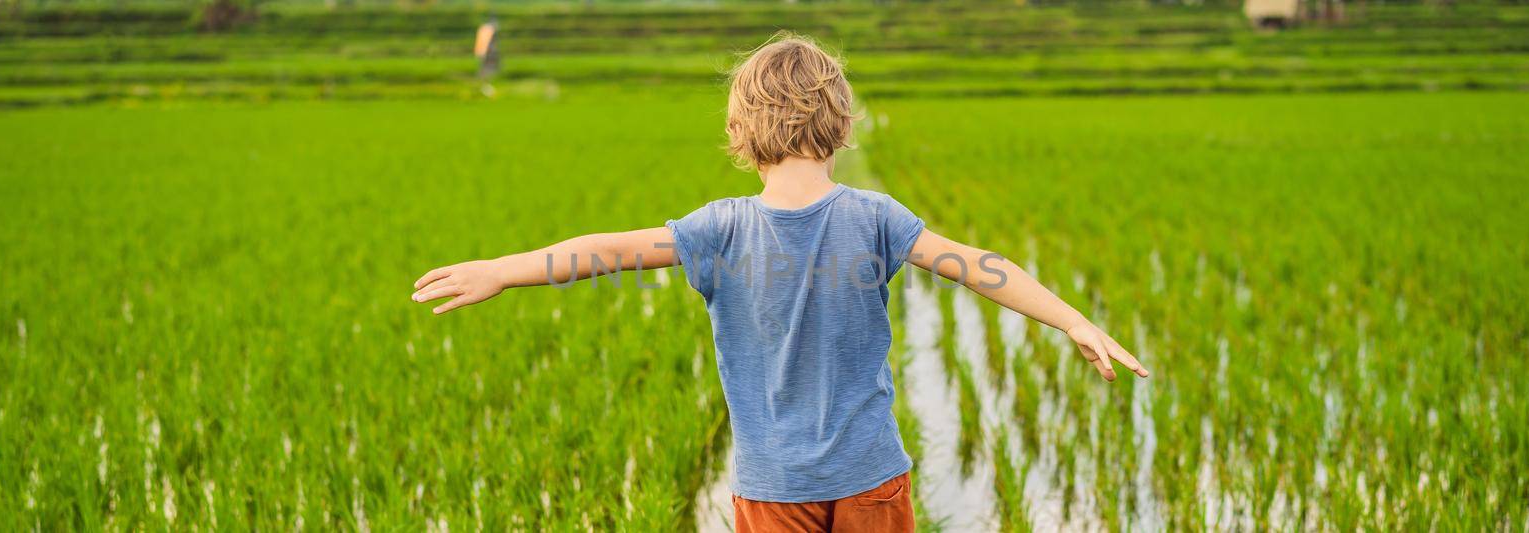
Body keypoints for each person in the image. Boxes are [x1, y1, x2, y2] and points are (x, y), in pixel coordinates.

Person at [411, 32, 1147, 533]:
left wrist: (501, 271)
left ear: (741, 130)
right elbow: (987, 268)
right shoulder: (877, 216)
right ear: (840, 121)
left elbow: (605, 251)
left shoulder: (719, 228)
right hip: (873, 478)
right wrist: (1073, 318)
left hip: (771, 486)